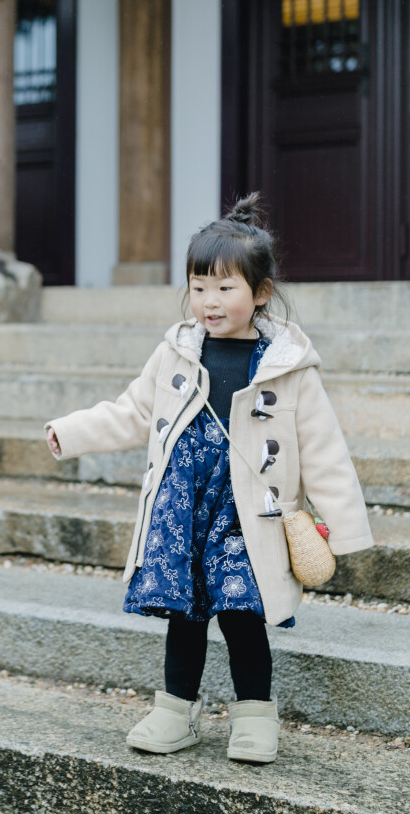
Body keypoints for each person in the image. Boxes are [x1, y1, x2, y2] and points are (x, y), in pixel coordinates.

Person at [43, 194, 373, 763]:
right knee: (185, 611)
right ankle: (175, 709)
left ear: (260, 293)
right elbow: (135, 411)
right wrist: (72, 432)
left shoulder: (287, 366)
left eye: (225, 288)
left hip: (249, 511)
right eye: (199, 287)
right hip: (183, 504)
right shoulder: (176, 351)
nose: (209, 301)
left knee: (245, 611)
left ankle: (254, 716)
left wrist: (344, 530)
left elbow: (323, 450)